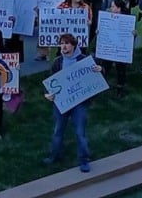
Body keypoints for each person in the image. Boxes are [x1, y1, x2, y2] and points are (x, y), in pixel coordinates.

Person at [42, 33, 101, 173]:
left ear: (74, 46)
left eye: (67, 43)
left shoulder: (84, 60)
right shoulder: (57, 62)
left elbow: (95, 76)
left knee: (80, 132)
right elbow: (50, 81)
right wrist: (47, 94)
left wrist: (100, 70)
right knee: (58, 131)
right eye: (61, 43)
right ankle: (55, 155)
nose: (63, 46)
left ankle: (84, 159)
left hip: (79, 104)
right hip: (61, 103)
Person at [99, 0, 134, 97]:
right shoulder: (108, 18)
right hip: (110, 48)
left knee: (121, 69)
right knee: (106, 66)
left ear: (118, 9)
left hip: (119, 49)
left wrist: (133, 33)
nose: (111, 8)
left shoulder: (127, 20)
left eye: (113, 6)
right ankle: (99, 85)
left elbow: (131, 35)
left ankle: (120, 88)